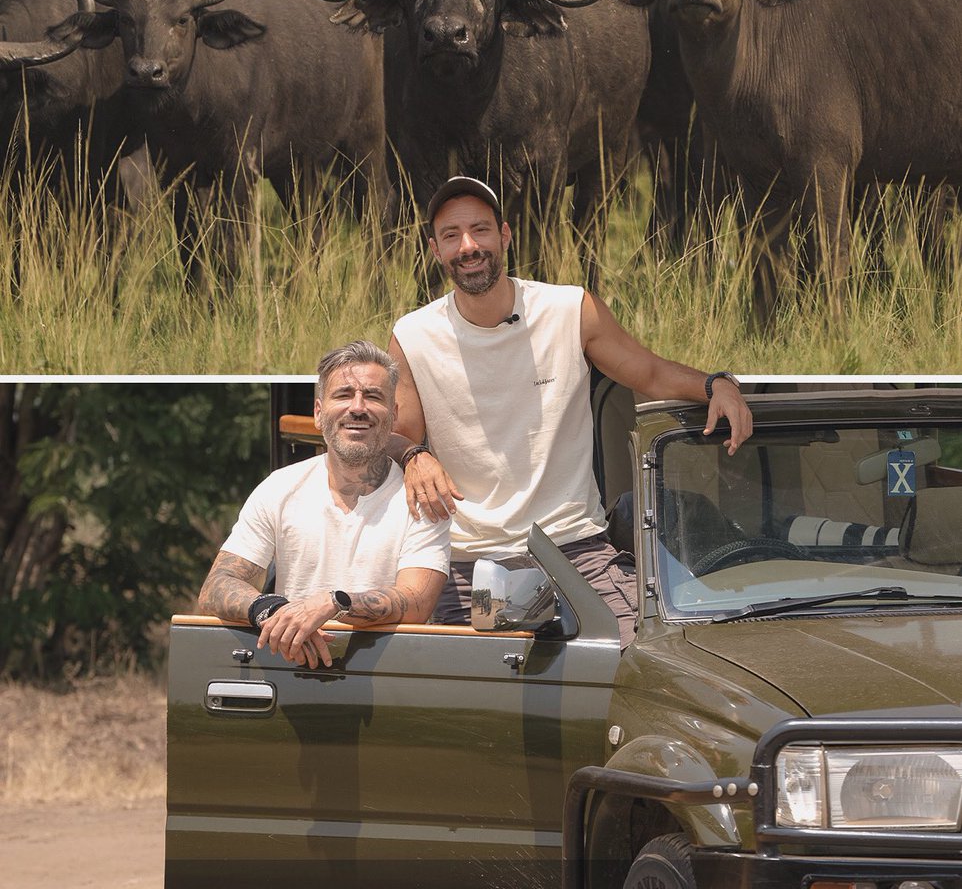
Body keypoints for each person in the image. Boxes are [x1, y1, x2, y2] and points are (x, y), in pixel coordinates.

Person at [386, 176, 754, 649]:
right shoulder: (412, 334)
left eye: (480, 230)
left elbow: (648, 373)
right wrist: (415, 455)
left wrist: (714, 384)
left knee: (638, 664)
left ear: (506, 235)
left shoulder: (569, 308)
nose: (468, 246)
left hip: (575, 553)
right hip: (469, 563)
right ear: (435, 250)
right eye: (452, 235)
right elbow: (398, 433)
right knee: (472, 696)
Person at [198, 340, 450, 669]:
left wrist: (335, 602)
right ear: (318, 413)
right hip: (290, 666)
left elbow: (416, 601)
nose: (357, 407)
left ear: (394, 415)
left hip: (391, 674)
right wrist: (274, 611)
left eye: (373, 396)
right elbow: (216, 586)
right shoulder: (280, 487)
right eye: (343, 394)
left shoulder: (422, 496)